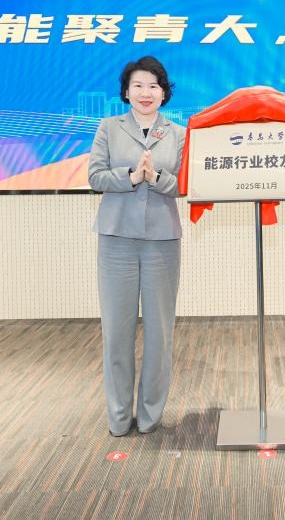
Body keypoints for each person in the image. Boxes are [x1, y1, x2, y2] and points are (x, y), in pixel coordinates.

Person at [88, 56, 186, 436]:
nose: (146, 93)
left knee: (160, 333)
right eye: (138, 86)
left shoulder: (178, 133)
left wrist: (156, 177)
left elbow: (185, 184)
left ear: (164, 93)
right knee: (117, 332)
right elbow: (95, 176)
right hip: (117, 239)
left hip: (162, 240)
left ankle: (149, 416)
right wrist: (130, 176)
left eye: (154, 86)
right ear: (126, 92)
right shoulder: (109, 127)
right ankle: (118, 416)